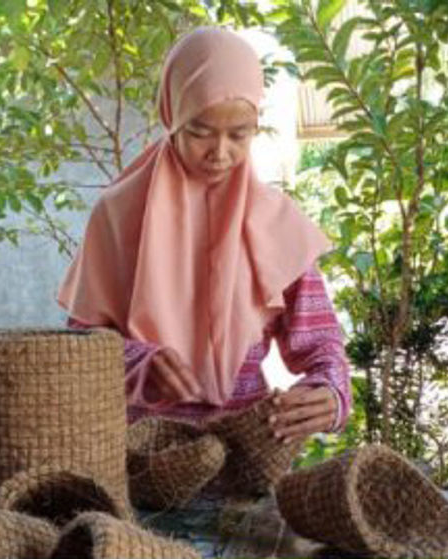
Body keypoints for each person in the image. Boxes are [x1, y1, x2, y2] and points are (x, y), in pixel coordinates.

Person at [56, 27, 351, 444]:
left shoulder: (276, 223)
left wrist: (330, 392)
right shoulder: (118, 216)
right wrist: (139, 364)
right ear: (171, 116)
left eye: (240, 134)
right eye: (199, 131)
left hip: (246, 458)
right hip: (141, 463)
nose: (220, 152)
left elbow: (321, 344)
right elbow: (79, 346)